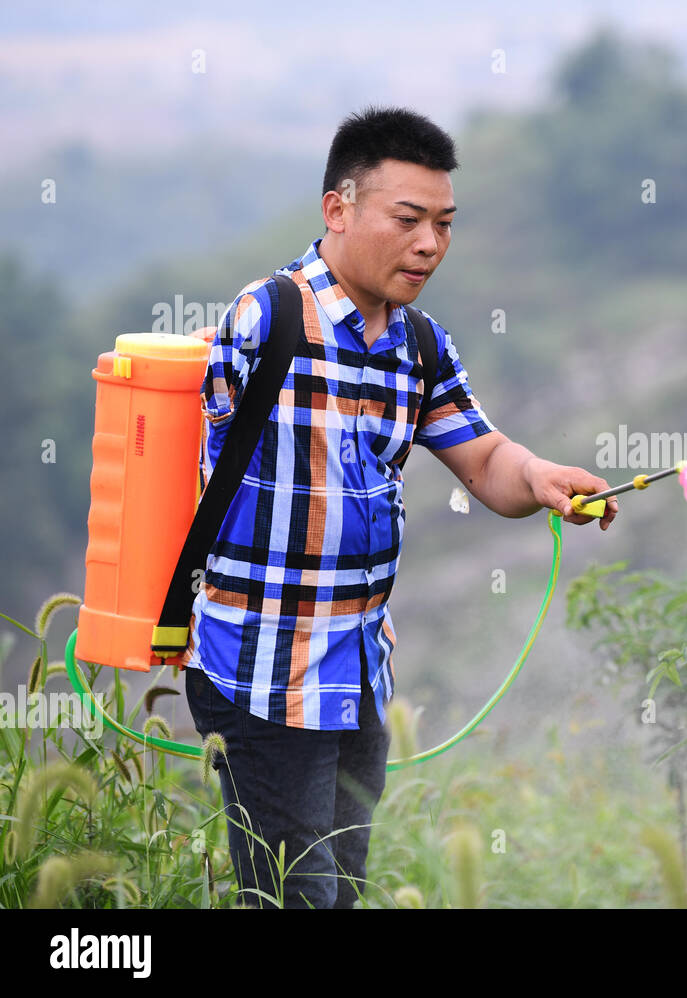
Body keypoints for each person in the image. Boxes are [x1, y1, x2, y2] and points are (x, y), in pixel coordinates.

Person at [179, 106, 618, 908]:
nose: (430, 245)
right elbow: (204, 456)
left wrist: (545, 478)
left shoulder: (419, 345)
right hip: (263, 668)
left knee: (342, 891)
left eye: (445, 225)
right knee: (292, 896)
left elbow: (486, 461)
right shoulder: (269, 320)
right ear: (337, 209)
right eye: (408, 220)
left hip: (356, 669)